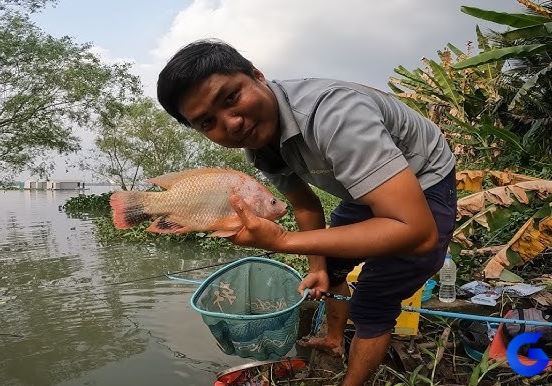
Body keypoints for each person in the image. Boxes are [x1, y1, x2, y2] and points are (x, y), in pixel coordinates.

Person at [157, 39, 457, 386]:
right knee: (330, 267)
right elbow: (305, 204)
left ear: (257, 75)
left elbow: (417, 234)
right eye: (208, 122)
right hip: (359, 192)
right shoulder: (260, 143)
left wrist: (283, 240)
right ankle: (333, 338)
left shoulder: (334, 115)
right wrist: (316, 266)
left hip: (423, 179)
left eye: (231, 98)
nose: (233, 123)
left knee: (374, 301)